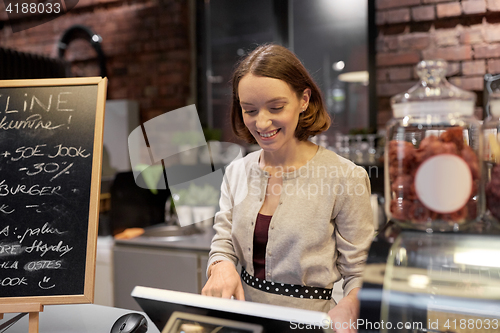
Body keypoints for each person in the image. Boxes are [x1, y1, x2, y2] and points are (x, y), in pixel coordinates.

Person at [201, 44, 374, 333]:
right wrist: (220, 264)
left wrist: (352, 302)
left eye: (276, 107)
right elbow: (224, 243)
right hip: (243, 324)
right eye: (250, 110)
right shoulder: (236, 172)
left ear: (304, 99)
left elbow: (361, 273)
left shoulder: (344, 177)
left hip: (312, 326)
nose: (262, 122)